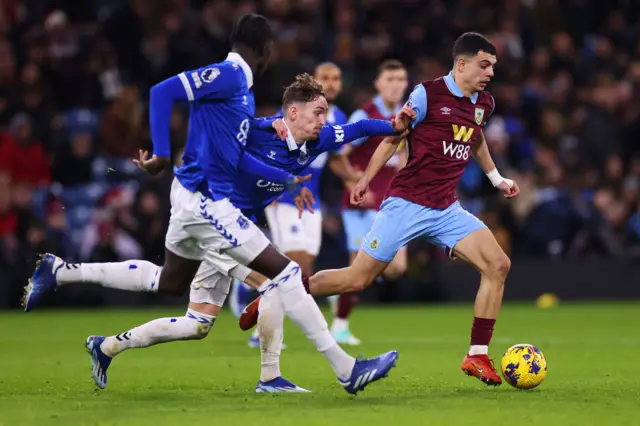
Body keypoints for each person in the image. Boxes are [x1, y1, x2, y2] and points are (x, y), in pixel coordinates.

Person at [23, 14, 399, 395]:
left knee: (186, 308)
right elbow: (201, 123)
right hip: (212, 206)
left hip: (211, 208)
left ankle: (98, 332)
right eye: (317, 112)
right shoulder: (243, 97)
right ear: (292, 113)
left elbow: (359, 129)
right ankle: (326, 371)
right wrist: (168, 156)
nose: (324, 119)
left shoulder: (302, 132)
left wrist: (396, 125)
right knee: (280, 278)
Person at [240, 32, 520, 387]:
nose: (490, 72)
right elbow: (394, 136)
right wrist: (364, 180)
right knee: (356, 278)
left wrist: (496, 177)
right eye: (484, 64)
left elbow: (474, 135)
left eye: (493, 66)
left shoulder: (484, 103)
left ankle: (477, 355)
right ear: (461, 64)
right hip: (406, 204)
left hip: (446, 207)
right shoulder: (427, 94)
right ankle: (276, 291)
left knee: (498, 264)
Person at [229, 62, 354, 348]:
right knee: (293, 263)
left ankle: (252, 288)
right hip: (284, 198)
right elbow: (266, 145)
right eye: (325, 78)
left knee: (304, 266)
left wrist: (355, 180)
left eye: (336, 78)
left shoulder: (338, 117)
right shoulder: (292, 116)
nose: (331, 83)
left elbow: (336, 159)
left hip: (313, 200)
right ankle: (260, 324)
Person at [330, 60, 410, 345]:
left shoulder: (409, 115)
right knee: (357, 269)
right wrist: (355, 182)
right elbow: (338, 153)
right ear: (377, 83)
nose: (396, 84)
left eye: (400, 79)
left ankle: (336, 286)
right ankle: (339, 324)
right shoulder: (365, 114)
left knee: (397, 267)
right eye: (389, 78)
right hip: (360, 203)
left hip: (392, 205)